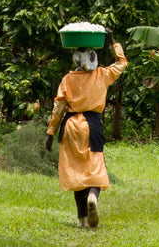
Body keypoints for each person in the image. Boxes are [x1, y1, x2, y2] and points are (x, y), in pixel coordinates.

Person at [46, 28, 127, 228]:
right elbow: (122, 63)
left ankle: (82, 221)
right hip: (92, 126)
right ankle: (93, 196)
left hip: (71, 126)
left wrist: (50, 133)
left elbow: (58, 108)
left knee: (75, 172)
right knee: (95, 168)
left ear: (75, 59)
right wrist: (113, 41)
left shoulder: (67, 79)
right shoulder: (102, 75)